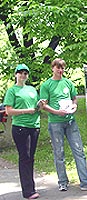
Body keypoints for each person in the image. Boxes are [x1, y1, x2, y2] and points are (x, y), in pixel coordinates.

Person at [40, 58, 87, 192]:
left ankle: (86, 182)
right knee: (59, 153)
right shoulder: (46, 85)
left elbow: (74, 99)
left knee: (79, 151)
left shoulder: (68, 83)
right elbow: (43, 105)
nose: (60, 70)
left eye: (62, 68)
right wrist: (56, 112)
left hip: (71, 122)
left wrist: (74, 106)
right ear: (52, 68)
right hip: (55, 123)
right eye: (57, 68)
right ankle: (62, 182)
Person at [3, 64, 41, 199]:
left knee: (30, 157)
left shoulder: (32, 89)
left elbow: (36, 107)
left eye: (25, 73)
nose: (23, 75)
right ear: (15, 74)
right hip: (20, 127)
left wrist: (40, 105)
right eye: (20, 73)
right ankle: (28, 191)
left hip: (34, 126)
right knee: (24, 157)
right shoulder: (12, 91)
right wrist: (26, 111)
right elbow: (9, 111)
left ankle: (31, 187)